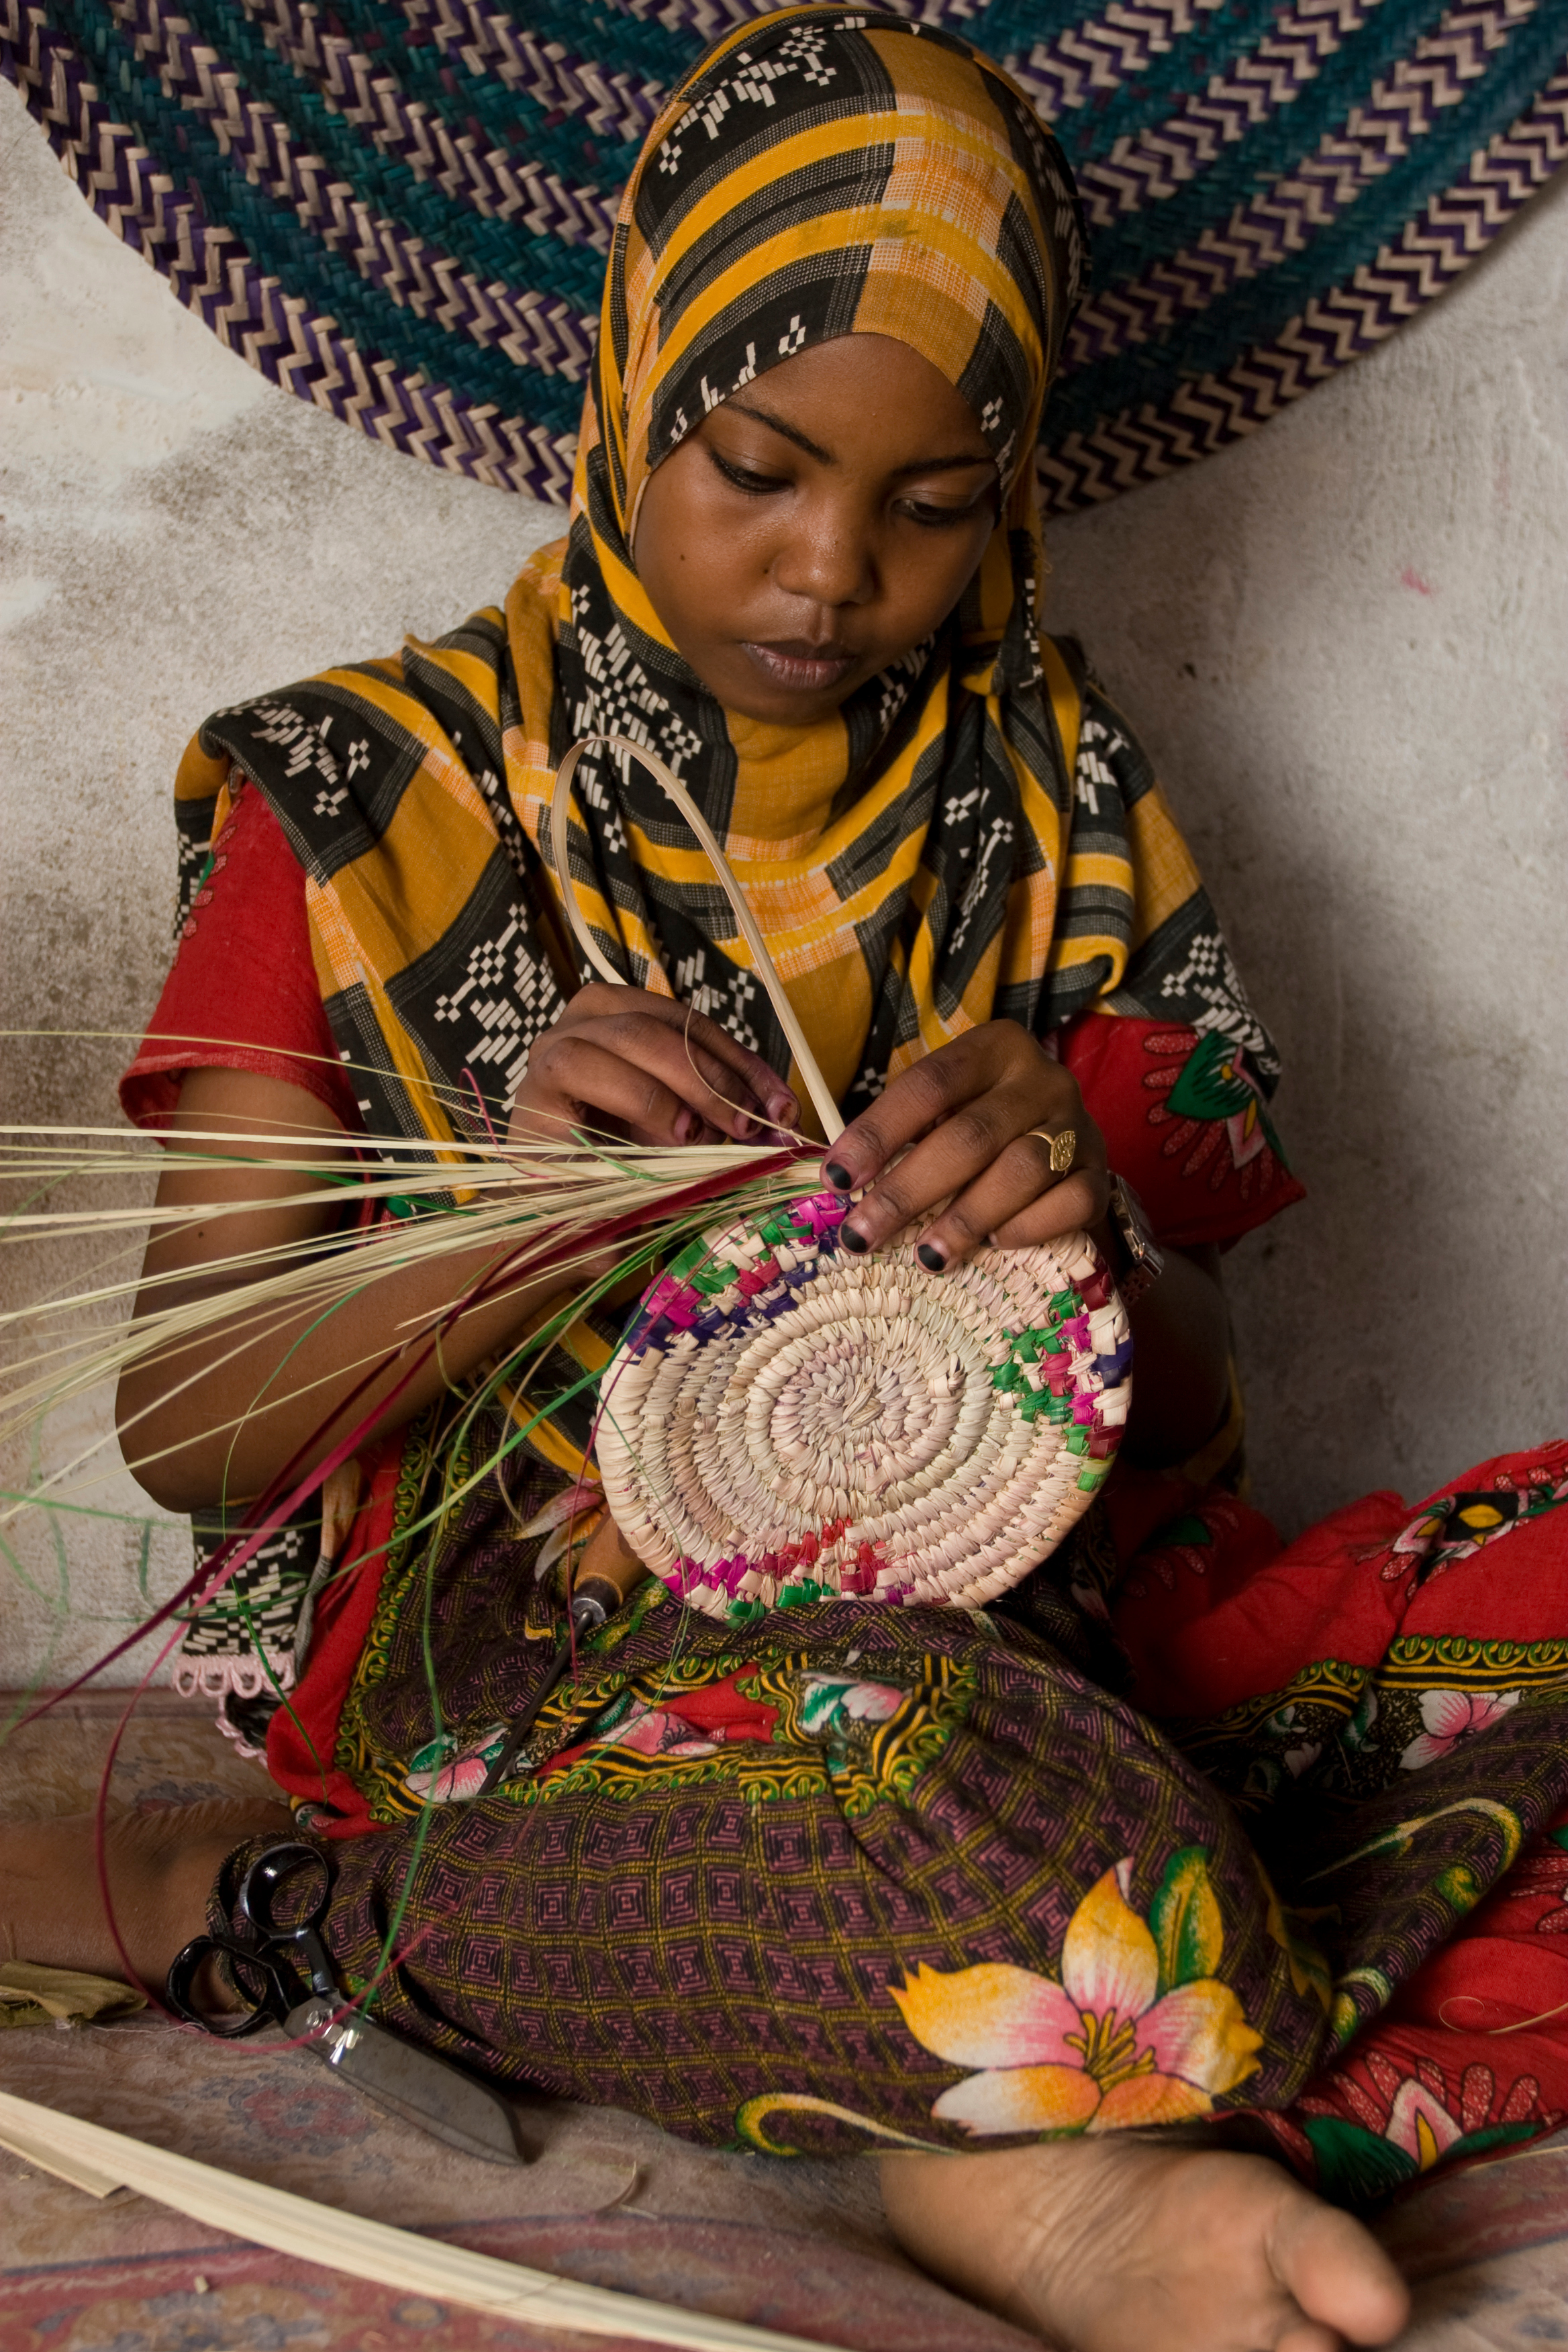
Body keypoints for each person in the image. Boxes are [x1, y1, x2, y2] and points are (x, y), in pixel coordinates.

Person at [6, 11, 1565, 2349]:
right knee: (995, 1830)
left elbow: (1193, 1409)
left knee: (1178, 1762)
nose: (833, 570)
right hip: (560, 1665)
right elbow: (189, 1428)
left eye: (934, 503)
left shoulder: (1059, 799)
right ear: (635, 387)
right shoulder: (361, 798)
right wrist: (500, 1221)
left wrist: (1095, 1228)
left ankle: (1032, 2074)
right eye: (756, 465)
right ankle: (317, 1907)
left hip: (1048, 1622)